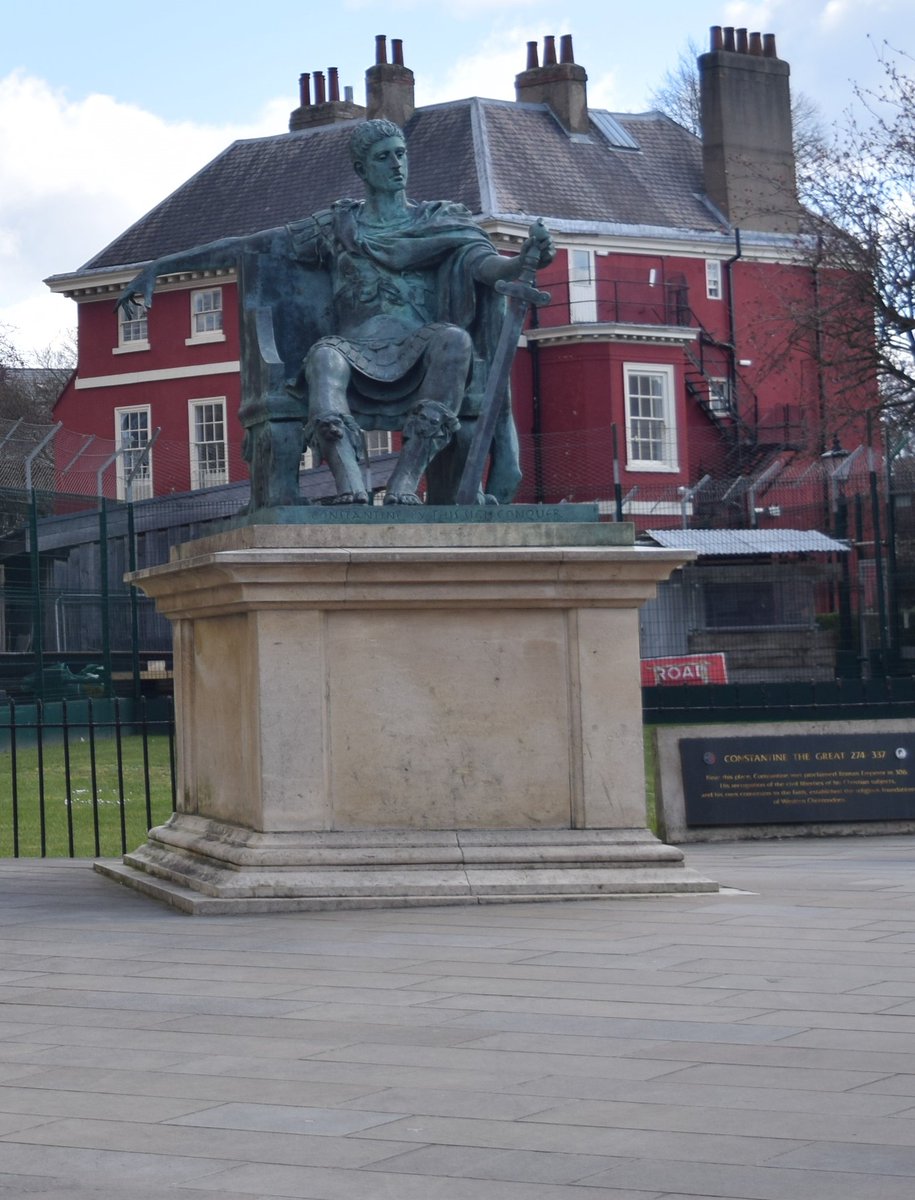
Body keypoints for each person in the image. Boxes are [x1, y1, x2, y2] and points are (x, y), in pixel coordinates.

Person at [118, 119, 554, 505]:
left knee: (455, 341)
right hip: (354, 346)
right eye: (384, 157)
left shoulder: (440, 222)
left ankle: (405, 481)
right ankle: (351, 485)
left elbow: (489, 267)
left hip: (421, 349)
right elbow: (250, 247)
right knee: (324, 359)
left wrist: (525, 260)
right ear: (363, 169)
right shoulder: (338, 226)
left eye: (401, 154)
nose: (396, 164)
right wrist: (161, 267)